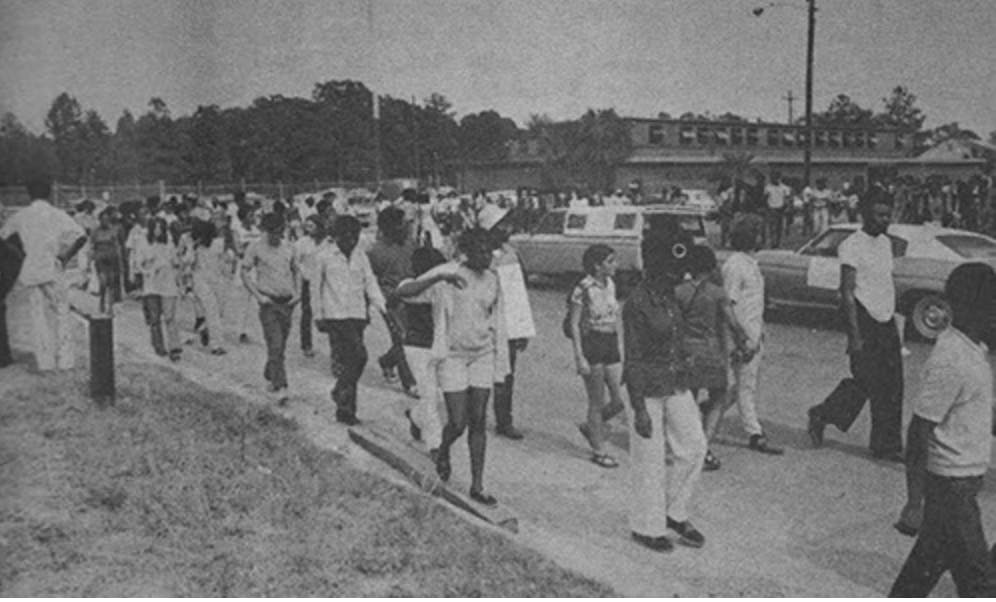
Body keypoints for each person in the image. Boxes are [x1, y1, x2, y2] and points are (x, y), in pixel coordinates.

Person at [888, 262, 996, 597]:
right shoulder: (952, 359)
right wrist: (914, 502)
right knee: (981, 584)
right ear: (970, 307)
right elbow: (919, 431)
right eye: (991, 303)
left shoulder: (972, 349)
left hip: (962, 482)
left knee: (922, 571)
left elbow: (973, 412)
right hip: (951, 487)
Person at [624, 230, 707, 552]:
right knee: (649, 458)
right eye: (673, 272)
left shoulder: (670, 297)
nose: (680, 277)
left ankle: (675, 513)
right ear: (655, 270)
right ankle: (646, 526)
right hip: (645, 388)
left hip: (674, 382)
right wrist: (639, 410)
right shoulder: (637, 303)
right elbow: (633, 358)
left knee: (695, 446)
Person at [807, 197, 904, 461]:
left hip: (886, 319)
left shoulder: (886, 243)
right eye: (879, 215)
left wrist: (895, 319)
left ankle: (887, 445)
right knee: (867, 380)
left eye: (888, 215)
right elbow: (847, 292)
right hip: (863, 318)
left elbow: (885, 282)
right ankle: (822, 414)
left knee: (893, 384)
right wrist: (854, 335)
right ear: (865, 215)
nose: (885, 220)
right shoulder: (851, 245)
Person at [423, 227, 507, 506]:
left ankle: (478, 485)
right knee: (458, 422)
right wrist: (438, 278)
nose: (486, 256)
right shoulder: (450, 275)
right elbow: (409, 290)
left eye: (489, 251)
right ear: (467, 252)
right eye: (480, 251)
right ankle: (444, 448)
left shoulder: (493, 280)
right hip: (453, 356)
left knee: (479, 419)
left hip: (482, 354)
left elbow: (497, 318)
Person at [0, 175, 87, 371]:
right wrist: (66, 256)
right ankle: (65, 361)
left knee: (38, 317)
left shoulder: (21, 216)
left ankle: (45, 362)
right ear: (48, 193)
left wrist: (21, 253)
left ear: (29, 194)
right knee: (61, 313)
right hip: (52, 266)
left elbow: (3, 237)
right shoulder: (57, 214)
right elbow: (81, 236)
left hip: (32, 268)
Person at [678, 245, 752, 471]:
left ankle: (686, 445)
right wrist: (744, 342)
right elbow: (733, 323)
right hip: (712, 352)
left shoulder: (679, 291)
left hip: (686, 352)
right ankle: (703, 449)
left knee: (688, 401)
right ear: (710, 267)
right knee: (718, 399)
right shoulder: (717, 293)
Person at [720, 215, 784, 456]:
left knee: (741, 386)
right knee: (743, 387)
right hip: (742, 336)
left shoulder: (751, 263)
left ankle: (705, 414)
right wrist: (741, 338)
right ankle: (755, 434)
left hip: (754, 334)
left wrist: (760, 330)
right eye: (759, 233)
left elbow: (753, 303)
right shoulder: (735, 265)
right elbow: (729, 304)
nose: (763, 237)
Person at [315, 215, 386, 425]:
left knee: (350, 362)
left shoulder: (360, 256)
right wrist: (318, 315)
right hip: (335, 315)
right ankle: (340, 393)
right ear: (336, 236)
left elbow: (370, 281)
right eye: (346, 237)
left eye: (355, 236)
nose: (351, 241)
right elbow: (315, 288)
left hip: (357, 314)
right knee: (358, 356)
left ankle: (346, 410)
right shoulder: (324, 256)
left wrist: (381, 305)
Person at [394, 247, 465, 455]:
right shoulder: (413, 284)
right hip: (417, 347)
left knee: (436, 397)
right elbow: (403, 292)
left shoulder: (445, 288)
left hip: (440, 346)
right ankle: (435, 446)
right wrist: (436, 278)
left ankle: (416, 417)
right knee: (429, 397)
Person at [570, 244, 626, 468]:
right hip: (592, 342)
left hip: (610, 341)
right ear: (597, 265)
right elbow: (574, 324)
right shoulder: (583, 288)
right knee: (596, 400)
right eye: (610, 261)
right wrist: (579, 356)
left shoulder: (611, 284)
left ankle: (591, 426)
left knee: (619, 400)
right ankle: (599, 450)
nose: (615, 265)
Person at [482, 203, 535, 440]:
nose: (506, 228)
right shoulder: (479, 255)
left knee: (506, 374)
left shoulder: (511, 254)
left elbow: (517, 294)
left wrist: (522, 329)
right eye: (501, 224)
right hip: (483, 321)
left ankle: (504, 420)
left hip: (507, 323)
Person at [241, 212, 300, 405]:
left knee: (280, 345)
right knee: (275, 344)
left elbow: (296, 270)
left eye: (280, 232)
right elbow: (244, 272)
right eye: (273, 232)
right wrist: (258, 296)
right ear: (266, 231)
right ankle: (281, 386)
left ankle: (270, 371)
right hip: (269, 303)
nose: (276, 236)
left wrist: (298, 293)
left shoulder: (289, 247)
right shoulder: (255, 247)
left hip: (287, 303)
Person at [367, 206, 417, 395]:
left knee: (412, 337)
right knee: (401, 337)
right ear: (390, 227)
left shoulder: (410, 244)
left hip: (414, 296)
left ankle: (387, 361)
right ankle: (409, 382)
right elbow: (370, 280)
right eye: (401, 224)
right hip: (392, 300)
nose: (405, 226)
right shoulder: (375, 251)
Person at [136, 217, 181, 361]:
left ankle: (174, 346)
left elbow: (175, 261)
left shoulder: (169, 243)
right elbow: (139, 263)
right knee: (155, 319)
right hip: (151, 285)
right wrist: (148, 268)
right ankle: (158, 345)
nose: (158, 231)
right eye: (155, 227)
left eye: (161, 227)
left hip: (168, 284)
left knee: (169, 316)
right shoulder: (143, 243)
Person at [189, 219, 228, 355]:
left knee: (219, 311)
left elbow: (223, 261)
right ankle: (216, 345)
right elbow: (189, 262)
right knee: (213, 311)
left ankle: (205, 328)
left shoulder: (218, 244)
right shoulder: (196, 246)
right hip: (202, 281)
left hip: (216, 280)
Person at [294, 214, 325, 359]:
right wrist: (304, 272)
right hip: (309, 281)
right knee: (307, 313)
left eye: (311, 226)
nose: (309, 229)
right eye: (307, 226)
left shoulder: (327, 242)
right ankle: (306, 344)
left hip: (325, 281)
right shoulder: (302, 243)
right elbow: (296, 261)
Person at [89, 206, 124, 314]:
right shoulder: (95, 231)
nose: (105, 221)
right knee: (103, 283)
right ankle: (102, 301)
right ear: (99, 220)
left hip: (112, 259)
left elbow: (117, 246)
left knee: (112, 283)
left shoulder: (113, 231)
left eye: (107, 219)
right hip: (100, 260)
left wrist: (120, 262)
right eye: (103, 219)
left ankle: (110, 306)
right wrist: (89, 261)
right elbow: (91, 246)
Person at [764, 173, 791, 248]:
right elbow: (765, 198)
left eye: (776, 178)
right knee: (772, 227)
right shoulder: (768, 187)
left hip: (781, 209)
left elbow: (787, 199)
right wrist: (767, 208)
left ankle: (779, 243)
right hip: (772, 209)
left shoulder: (785, 188)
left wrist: (786, 207)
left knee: (780, 227)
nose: (774, 180)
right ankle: (772, 242)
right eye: (772, 178)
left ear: (779, 178)